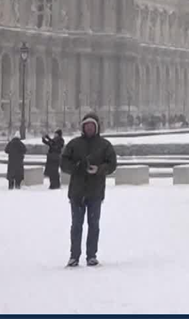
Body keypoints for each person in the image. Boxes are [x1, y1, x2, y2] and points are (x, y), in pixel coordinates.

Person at [60, 112, 117, 267]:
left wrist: (99, 169)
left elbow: (112, 164)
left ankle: (91, 255)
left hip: (95, 192)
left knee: (94, 225)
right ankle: (74, 256)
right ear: (83, 127)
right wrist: (76, 167)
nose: (89, 128)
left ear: (96, 128)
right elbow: (63, 162)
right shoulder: (74, 144)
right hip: (77, 193)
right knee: (76, 225)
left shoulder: (105, 145)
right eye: (87, 126)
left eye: (92, 126)